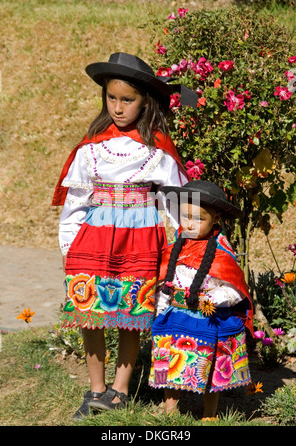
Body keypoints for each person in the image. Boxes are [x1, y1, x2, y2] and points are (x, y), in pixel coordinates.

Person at [52, 52, 198, 420]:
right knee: (91, 314)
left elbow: (174, 202)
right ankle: (95, 389)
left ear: (145, 101)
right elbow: (76, 199)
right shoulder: (91, 147)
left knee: (131, 312)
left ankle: (120, 390)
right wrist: (69, 243)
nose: (117, 108)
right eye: (111, 98)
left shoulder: (158, 149)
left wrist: (183, 245)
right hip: (94, 239)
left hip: (140, 238)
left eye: (127, 100)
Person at [148, 180, 254, 419]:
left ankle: (210, 413)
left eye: (198, 219)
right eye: (185, 216)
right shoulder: (176, 247)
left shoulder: (221, 253)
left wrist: (216, 298)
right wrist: (160, 303)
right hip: (174, 316)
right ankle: (170, 412)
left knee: (209, 364)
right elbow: (165, 279)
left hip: (207, 318)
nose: (190, 224)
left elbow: (235, 288)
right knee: (168, 361)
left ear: (215, 219)